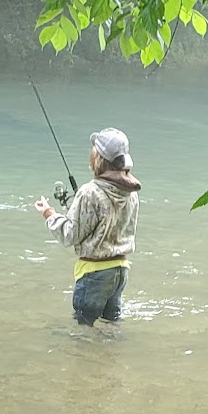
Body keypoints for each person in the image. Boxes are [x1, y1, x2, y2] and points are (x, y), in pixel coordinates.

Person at [34, 127, 141, 326]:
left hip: (94, 274)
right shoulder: (131, 193)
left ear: (98, 159)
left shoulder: (89, 192)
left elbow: (70, 235)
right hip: (120, 271)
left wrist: (49, 213)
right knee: (111, 326)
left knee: (84, 329)